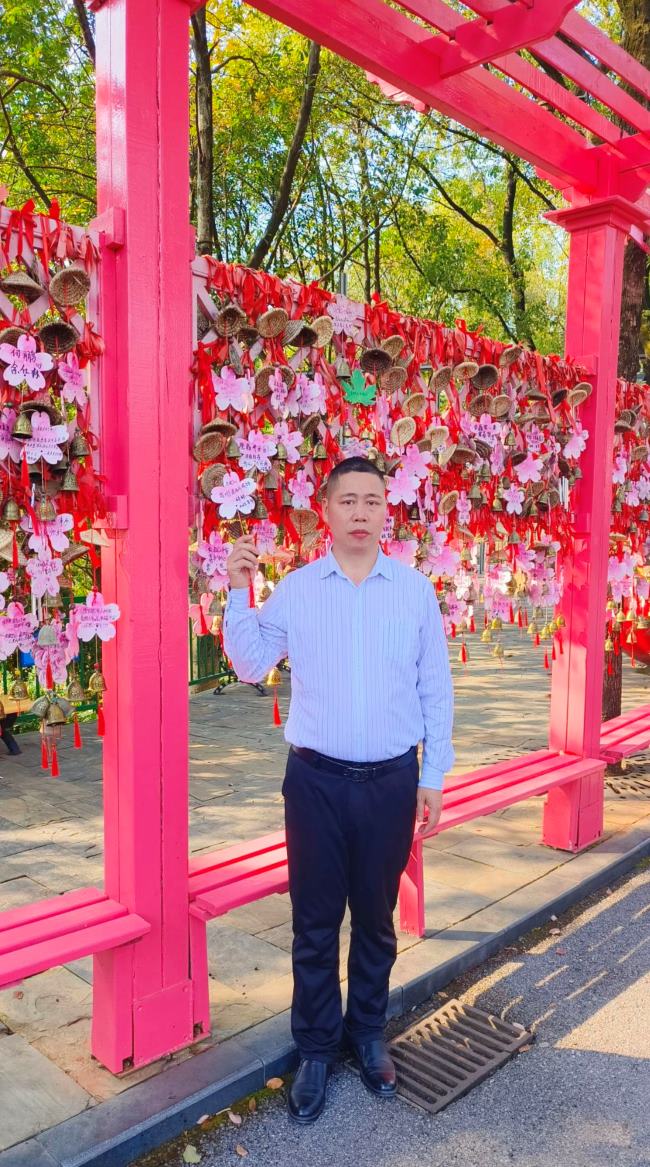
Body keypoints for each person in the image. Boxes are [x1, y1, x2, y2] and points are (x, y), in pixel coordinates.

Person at [224, 456, 454, 1124]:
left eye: (372, 500)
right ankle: (317, 1048)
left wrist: (433, 775)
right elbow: (249, 663)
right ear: (324, 509)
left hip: (390, 781)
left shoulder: (413, 591)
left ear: (387, 510)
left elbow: (435, 687)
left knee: (376, 918)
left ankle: (369, 1032)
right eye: (347, 500)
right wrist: (239, 590)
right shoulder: (299, 590)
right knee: (315, 922)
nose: (360, 512)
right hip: (316, 783)